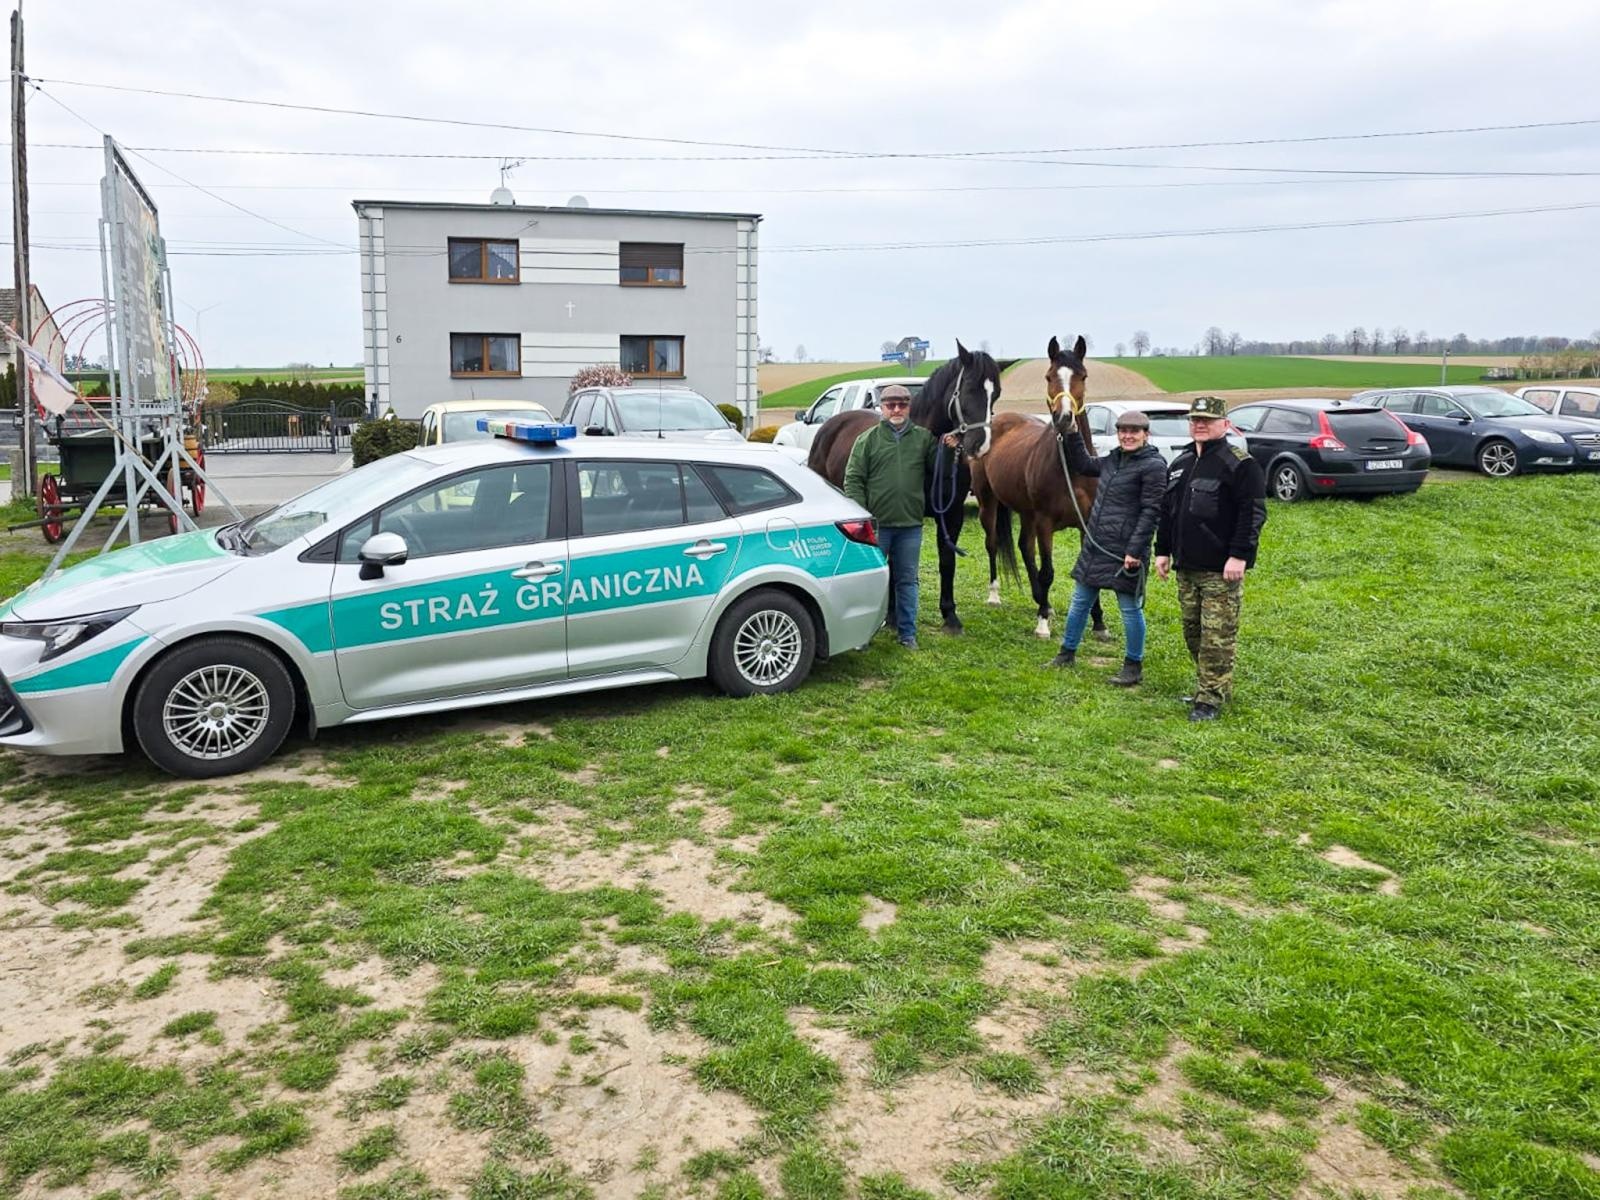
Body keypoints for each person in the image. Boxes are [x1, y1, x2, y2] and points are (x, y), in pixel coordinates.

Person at [1153, 395, 1268, 721]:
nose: (1200, 425)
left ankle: (1209, 700)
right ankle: (1213, 685)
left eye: (1207, 420)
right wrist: (1162, 550)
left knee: (1217, 636)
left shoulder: (1240, 465)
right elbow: (1168, 511)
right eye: (1195, 420)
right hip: (1186, 566)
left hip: (1220, 569)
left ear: (1225, 424)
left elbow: (1253, 513)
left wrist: (1239, 556)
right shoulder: (1181, 463)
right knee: (1194, 633)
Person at [1047, 409, 1167, 685]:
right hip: (1097, 545)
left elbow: (1151, 511)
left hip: (1125, 551)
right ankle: (1066, 653)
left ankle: (1133, 666)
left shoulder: (1153, 466)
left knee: (1129, 609)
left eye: (1134, 432)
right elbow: (1084, 465)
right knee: (1079, 603)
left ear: (1145, 435)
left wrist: (1135, 551)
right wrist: (1073, 432)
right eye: (1123, 431)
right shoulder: (1115, 459)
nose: (1127, 436)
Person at [843, 384, 938, 650]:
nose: (896, 409)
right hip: (877, 528)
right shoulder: (867, 440)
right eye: (891, 405)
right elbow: (853, 480)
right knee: (870, 582)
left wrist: (949, 450)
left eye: (902, 404)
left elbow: (938, 470)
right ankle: (862, 634)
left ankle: (907, 634)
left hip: (910, 526)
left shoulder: (923, 439)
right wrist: (864, 518)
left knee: (908, 581)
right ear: (882, 408)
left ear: (909, 407)